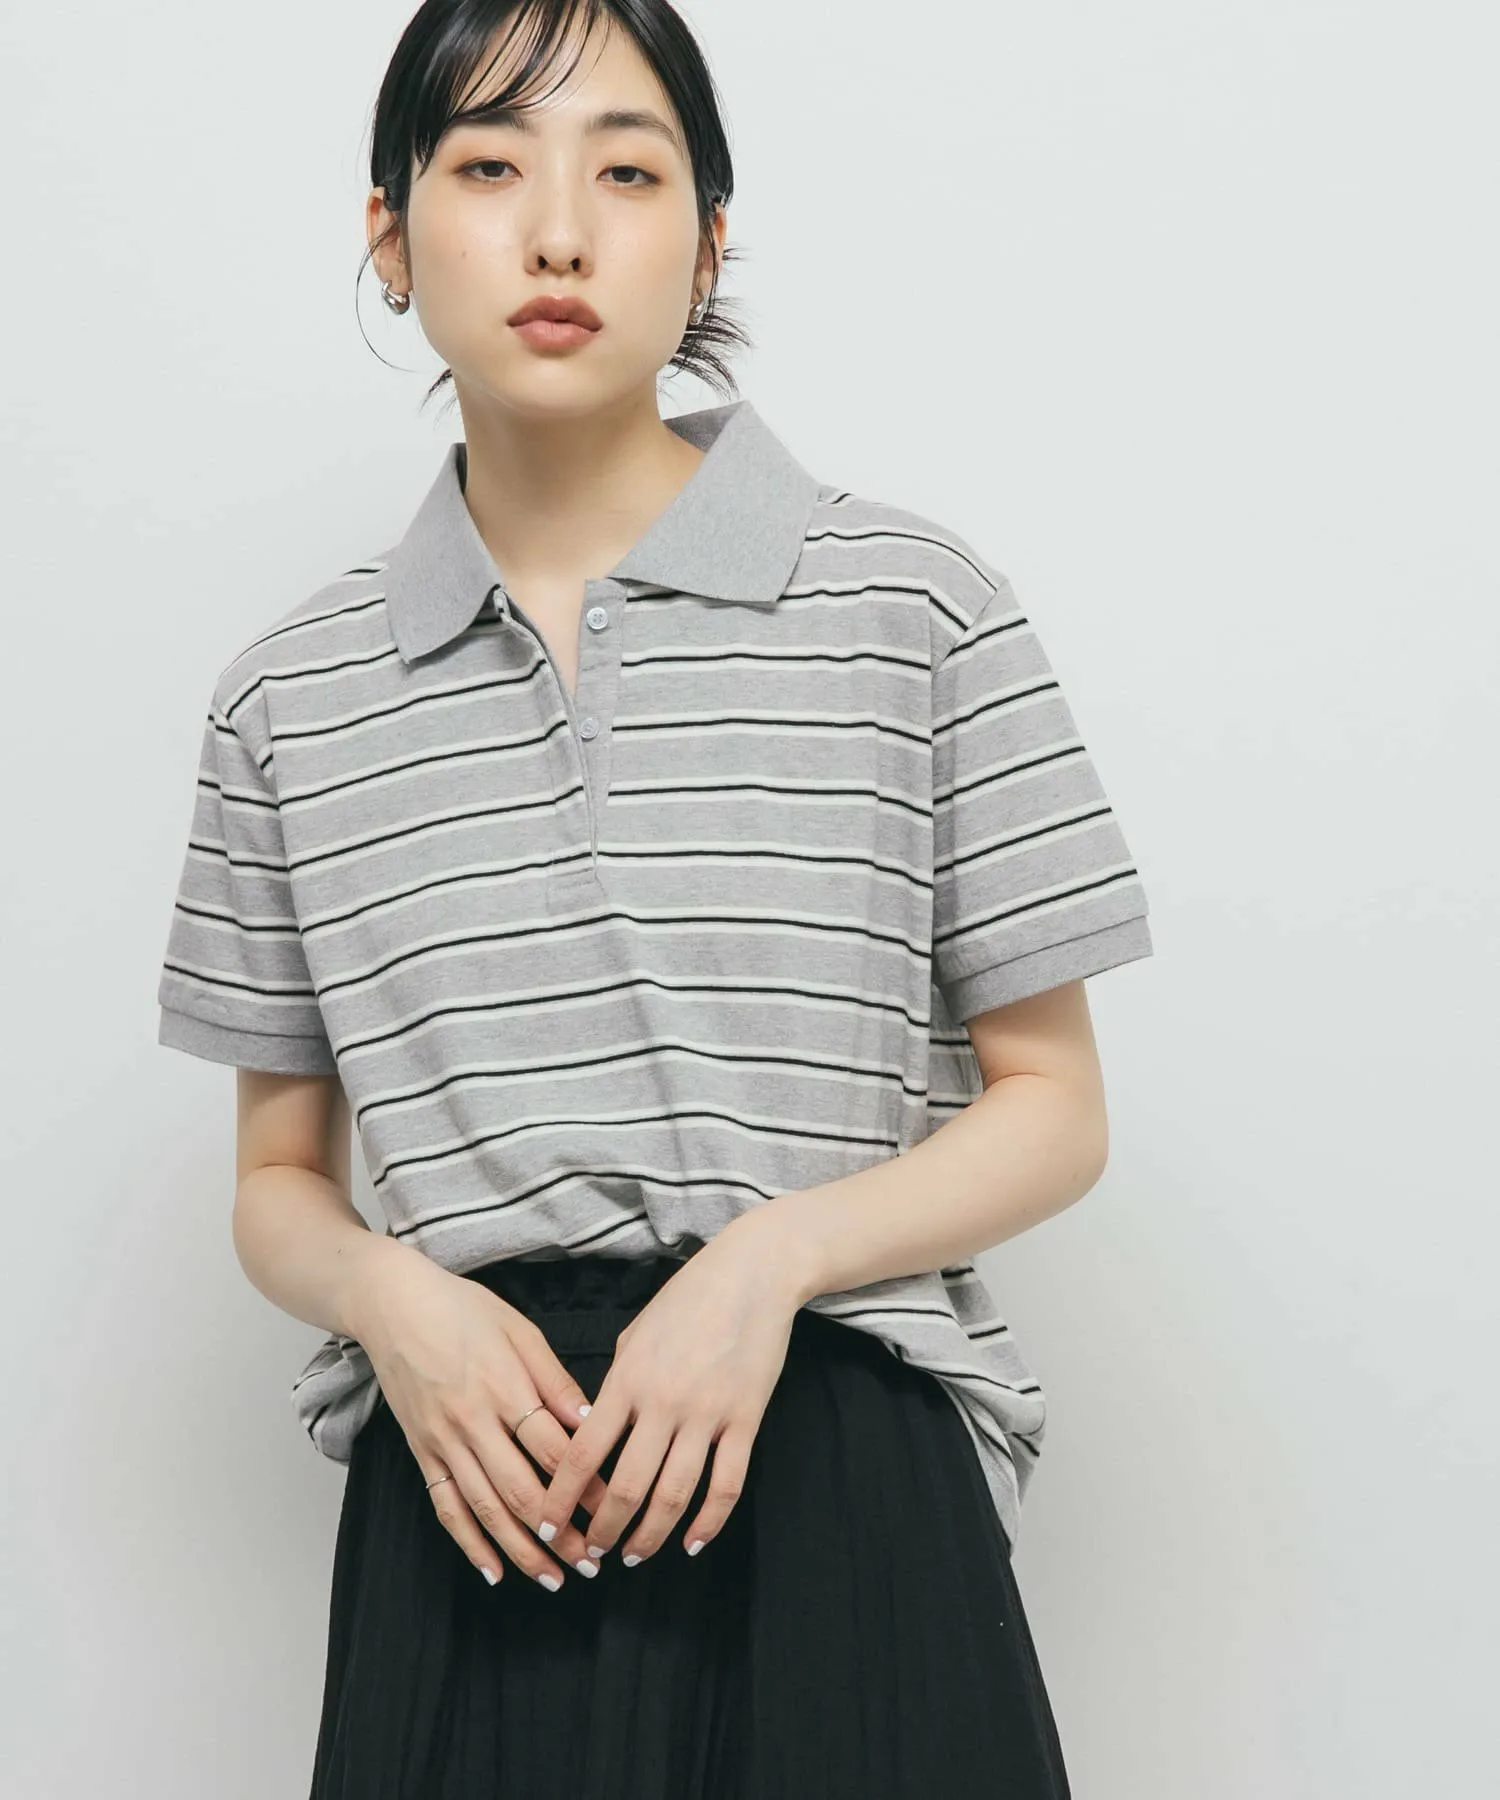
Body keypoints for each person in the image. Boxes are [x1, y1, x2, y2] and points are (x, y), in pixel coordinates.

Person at [154, 1, 1154, 1794]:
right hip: (474, 1496)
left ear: (707, 246)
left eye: (627, 173)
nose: (559, 231)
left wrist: (770, 1263)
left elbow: (1055, 1107)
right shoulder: (287, 699)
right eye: (488, 165)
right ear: (389, 233)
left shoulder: (913, 607)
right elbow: (278, 1183)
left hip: (842, 1469)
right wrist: (393, 1303)